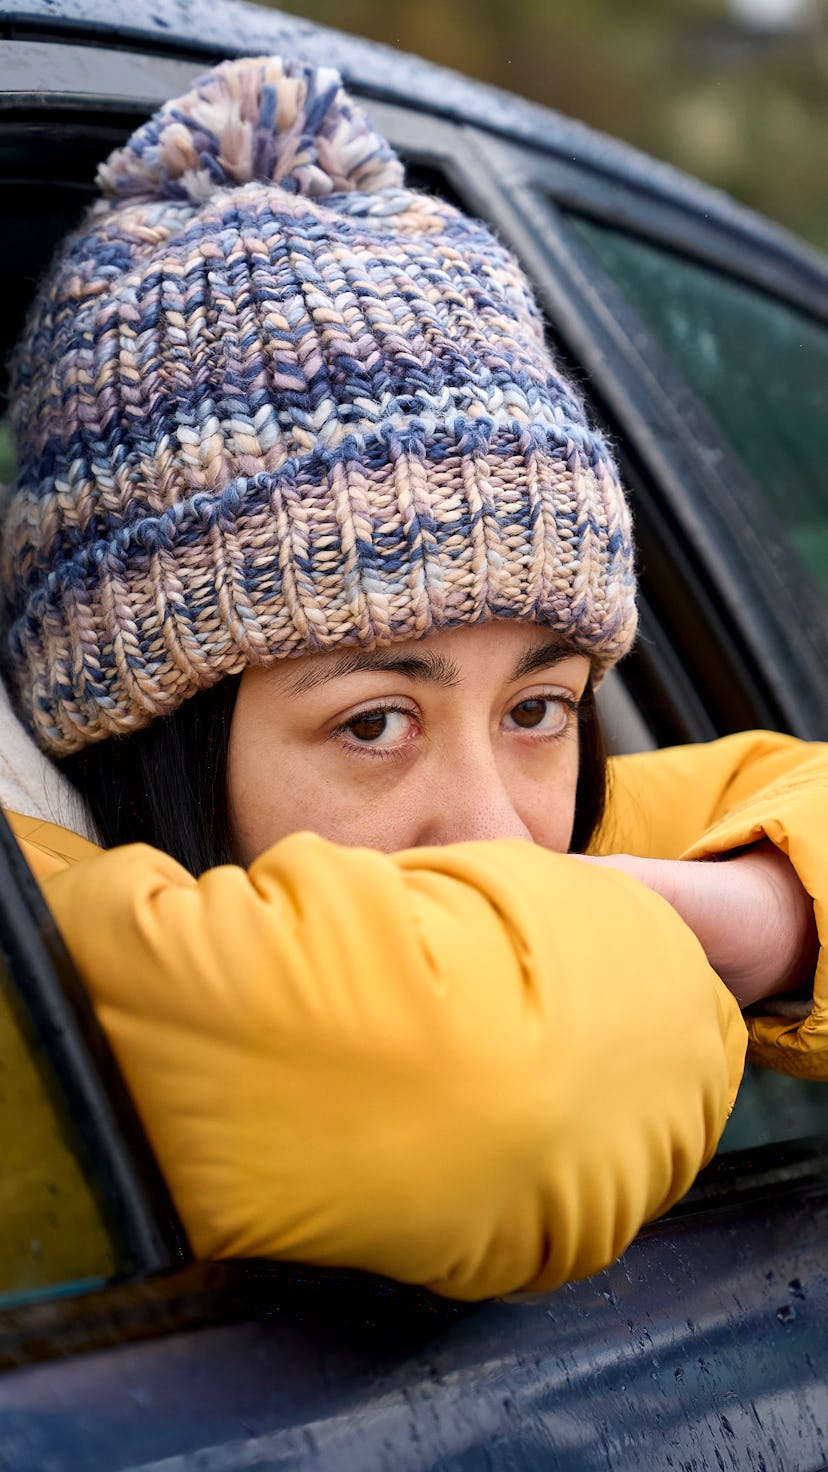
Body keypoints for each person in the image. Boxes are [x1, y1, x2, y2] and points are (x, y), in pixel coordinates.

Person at [1, 55, 825, 1302]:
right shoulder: (36, 944)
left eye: (538, 706)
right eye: (375, 719)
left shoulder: (529, 821)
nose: (498, 832)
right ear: (142, 731)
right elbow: (489, 1093)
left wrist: (775, 911)